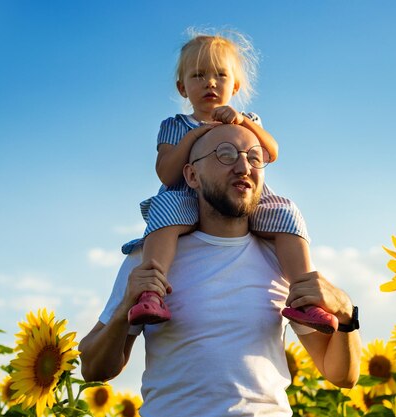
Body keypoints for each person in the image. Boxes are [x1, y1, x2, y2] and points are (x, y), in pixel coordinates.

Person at [79, 124, 362, 417]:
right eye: (225, 154)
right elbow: (93, 368)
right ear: (192, 176)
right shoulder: (151, 257)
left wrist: (346, 314)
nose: (243, 167)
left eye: (254, 157)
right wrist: (125, 309)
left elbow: (341, 375)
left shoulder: (282, 258)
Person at [123, 30, 337, 332]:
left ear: (234, 85)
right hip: (187, 196)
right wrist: (196, 135)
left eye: (220, 75)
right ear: (182, 88)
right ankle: (152, 293)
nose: (210, 82)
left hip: (243, 197)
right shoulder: (176, 125)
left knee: (287, 212)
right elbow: (167, 173)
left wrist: (243, 122)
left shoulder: (247, 120)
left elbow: (272, 152)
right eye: (198, 75)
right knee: (165, 208)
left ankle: (306, 297)